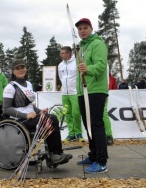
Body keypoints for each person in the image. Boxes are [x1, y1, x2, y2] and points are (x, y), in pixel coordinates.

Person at [3, 59, 73, 166]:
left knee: (50, 118)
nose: (20, 70)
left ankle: (54, 154)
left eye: (22, 67)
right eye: (17, 68)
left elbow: (30, 105)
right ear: (13, 71)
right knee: (52, 119)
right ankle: (55, 154)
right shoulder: (10, 87)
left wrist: (40, 111)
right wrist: (25, 115)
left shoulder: (29, 84)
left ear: (26, 69)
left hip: (32, 117)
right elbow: (6, 108)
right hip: (20, 120)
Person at [75, 18, 109, 173]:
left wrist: (88, 69)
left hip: (95, 90)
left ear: (91, 28)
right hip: (84, 90)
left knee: (96, 124)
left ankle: (101, 161)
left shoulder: (97, 44)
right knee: (88, 125)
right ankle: (94, 155)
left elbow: (101, 65)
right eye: (80, 29)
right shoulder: (82, 47)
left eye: (85, 28)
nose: (82, 31)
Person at [58, 46, 84, 142]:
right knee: (67, 113)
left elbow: (80, 76)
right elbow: (61, 77)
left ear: (69, 53)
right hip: (65, 94)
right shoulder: (60, 65)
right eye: (61, 53)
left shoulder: (76, 63)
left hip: (75, 93)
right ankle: (71, 133)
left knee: (76, 113)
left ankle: (78, 133)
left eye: (63, 53)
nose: (61, 55)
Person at [104, 73, 117, 146]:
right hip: (93, 91)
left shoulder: (111, 78)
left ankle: (109, 136)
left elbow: (115, 88)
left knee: (103, 114)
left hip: (102, 92)